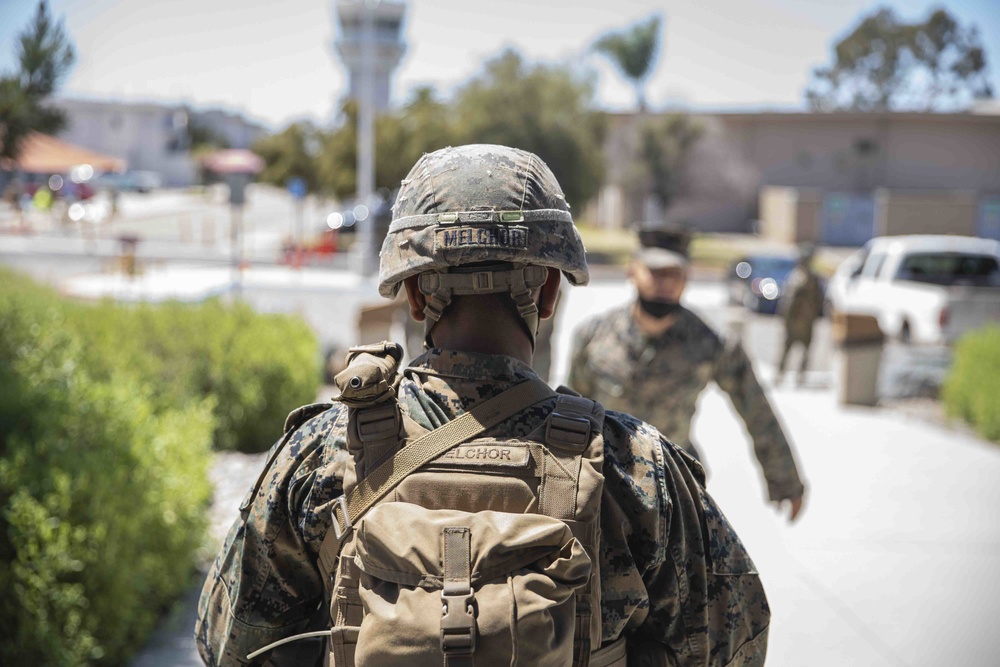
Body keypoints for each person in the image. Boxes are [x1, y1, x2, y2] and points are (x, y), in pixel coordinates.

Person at [196, 145, 769, 666]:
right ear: (548, 293)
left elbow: (227, 643)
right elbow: (734, 643)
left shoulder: (319, 454)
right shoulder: (635, 467)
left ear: (416, 294)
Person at [568, 227, 806, 522]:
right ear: (633, 271)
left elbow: (756, 410)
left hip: (675, 489)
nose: (664, 283)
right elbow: (572, 415)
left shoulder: (710, 343)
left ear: (687, 278)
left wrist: (785, 481)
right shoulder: (594, 337)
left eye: (674, 273)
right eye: (655, 271)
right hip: (605, 486)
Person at [776, 245, 825, 387]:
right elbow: (788, 303)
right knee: (787, 349)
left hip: (805, 321)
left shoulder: (810, 279)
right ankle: (781, 374)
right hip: (795, 321)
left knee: (803, 350)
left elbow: (819, 301)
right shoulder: (796, 278)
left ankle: (799, 376)